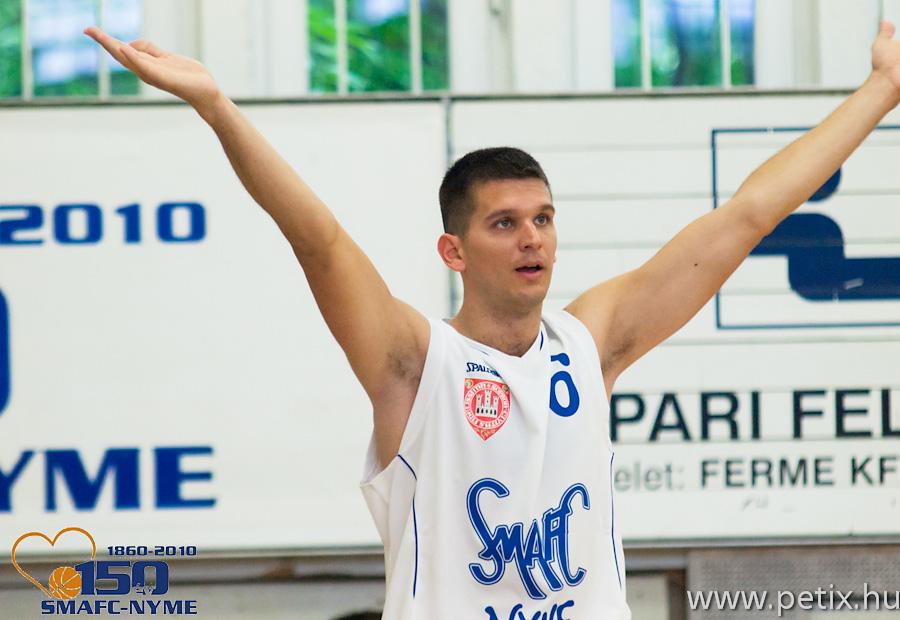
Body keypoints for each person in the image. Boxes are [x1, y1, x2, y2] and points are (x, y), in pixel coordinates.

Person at [86, 22, 900, 620]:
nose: (531, 238)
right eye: (504, 223)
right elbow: (319, 241)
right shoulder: (415, 363)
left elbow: (748, 216)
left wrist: (881, 91)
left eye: (542, 218)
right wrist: (218, 107)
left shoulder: (591, 341)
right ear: (454, 250)